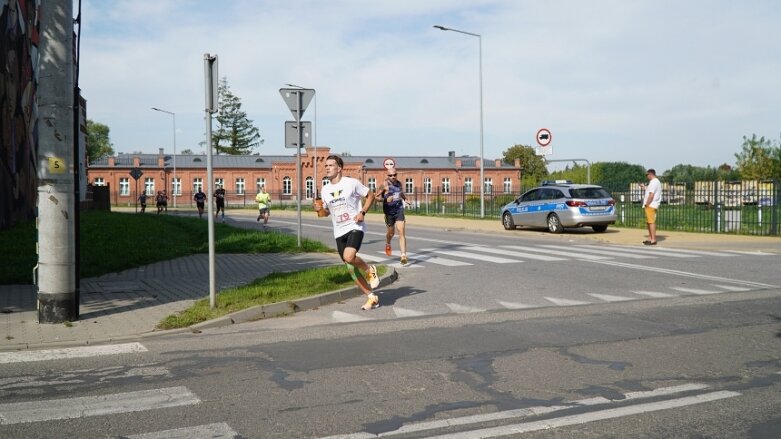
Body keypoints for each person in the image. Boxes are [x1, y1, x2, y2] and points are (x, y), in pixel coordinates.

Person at [314, 155, 380, 310]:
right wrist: (319, 210)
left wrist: (362, 212)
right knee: (350, 267)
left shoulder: (351, 183)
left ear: (339, 168)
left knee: (349, 256)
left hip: (354, 226)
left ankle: (370, 270)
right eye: (326, 165)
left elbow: (370, 195)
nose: (328, 168)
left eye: (331, 165)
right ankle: (371, 297)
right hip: (338, 231)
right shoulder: (325, 189)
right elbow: (325, 214)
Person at [376, 168, 409, 265]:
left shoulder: (399, 183)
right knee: (391, 233)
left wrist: (405, 199)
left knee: (401, 231)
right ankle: (388, 243)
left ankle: (403, 255)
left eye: (394, 175)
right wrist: (385, 200)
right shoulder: (384, 185)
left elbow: (400, 193)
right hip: (389, 212)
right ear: (387, 176)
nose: (393, 177)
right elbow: (376, 197)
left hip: (399, 210)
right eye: (390, 175)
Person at [640, 168, 662, 245]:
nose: (646, 176)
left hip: (651, 205)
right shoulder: (654, 182)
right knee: (649, 222)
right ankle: (650, 238)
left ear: (650, 174)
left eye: (647, 175)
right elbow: (649, 190)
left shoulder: (654, 182)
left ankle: (653, 240)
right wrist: (643, 187)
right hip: (652, 204)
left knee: (651, 222)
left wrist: (647, 203)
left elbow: (651, 195)